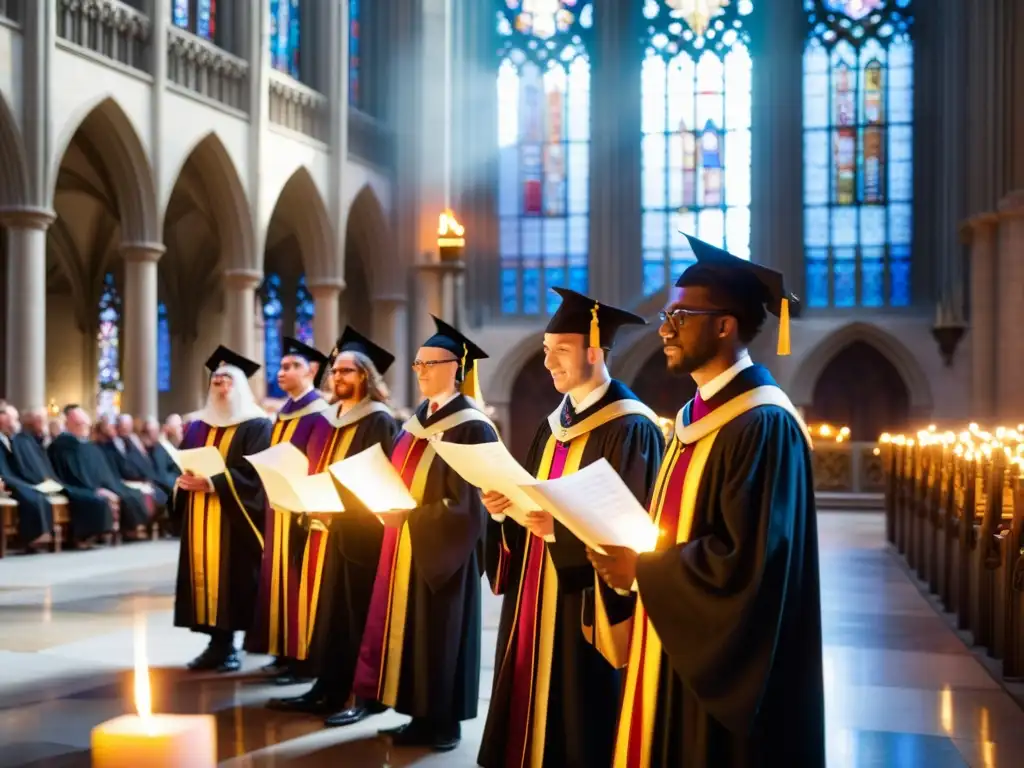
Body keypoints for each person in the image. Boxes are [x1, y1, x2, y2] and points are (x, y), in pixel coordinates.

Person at [588, 235, 825, 768]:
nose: (665, 329)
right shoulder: (694, 416)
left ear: (725, 325)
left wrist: (644, 570)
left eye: (681, 316)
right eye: (667, 316)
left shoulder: (763, 423)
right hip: (673, 631)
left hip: (726, 660)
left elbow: (748, 563)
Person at [477, 288, 666, 768]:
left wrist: (558, 530)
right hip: (534, 594)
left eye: (559, 352)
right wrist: (502, 511)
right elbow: (530, 500)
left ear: (594, 351)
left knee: (580, 715)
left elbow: (634, 525)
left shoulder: (631, 427)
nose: (548, 364)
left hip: (584, 599)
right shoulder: (551, 425)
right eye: (545, 352)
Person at [348, 316, 499, 752]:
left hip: (443, 552)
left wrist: (414, 518)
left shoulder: (471, 425)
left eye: (431, 363)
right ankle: (416, 714)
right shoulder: (417, 420)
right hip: (406, 543)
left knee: (441, 635)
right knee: (411, 633)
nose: (422, 371)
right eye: (418, 364)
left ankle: (445, 723)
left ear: (457, 367)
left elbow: (469, 504)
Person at [268, 327, 399, 726]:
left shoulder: (379, 421)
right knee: (327, 615)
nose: (338, 378)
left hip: (361, 535)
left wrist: (340, 509)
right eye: (336, 371)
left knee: (357, 615)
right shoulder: (328, 420)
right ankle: (326, 686)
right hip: (322, 530)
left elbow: (381, 481)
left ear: (366, 376)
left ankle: (363, 695)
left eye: (348, 371)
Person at [173, 347, 273, 672]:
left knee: (236, 582)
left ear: (241, 385)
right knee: (204, 582)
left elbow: (258, 475)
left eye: (228, 379)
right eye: (216, 379)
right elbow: (185, 463)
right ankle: (216, 643)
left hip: (235, 519)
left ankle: (234, 645)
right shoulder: (196, 427)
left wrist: (215, 483)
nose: (221, 385)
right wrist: (183, 483)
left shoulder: (256, 425)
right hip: (201, 517)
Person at [246, 336, 333, 685]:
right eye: (280, 366)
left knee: (301, 582)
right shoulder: (284, 412)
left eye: (291, 366)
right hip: (277, 506)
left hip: (301, 508)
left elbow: (319, 462)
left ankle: (303, 659)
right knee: (277, 579)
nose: (282, 372)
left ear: (311, 370)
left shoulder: (320, 413)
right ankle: (283, 650)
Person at [12, 406, 114, 546]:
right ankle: (80, 536)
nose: (45, 424)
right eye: (42, 420)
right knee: (91, 499)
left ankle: (90, 534)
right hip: (58, 483)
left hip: (56, 482)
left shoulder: (35, 441)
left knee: (96, 498)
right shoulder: (55, 444)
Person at [49, 405, 151, 541]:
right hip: (78, 486)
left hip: (98, 484)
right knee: (95, 499)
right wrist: (97, 489)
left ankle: (129, 529)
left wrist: (107, 486)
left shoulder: (88, 447)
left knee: (132, 494)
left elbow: (100, 472)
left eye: (85, 424)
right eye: (80, 424)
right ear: (69, 424)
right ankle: (90, 535)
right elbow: (76, 475)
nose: (84, 428)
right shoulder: (62, 446)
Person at [0, 403, 53, 551]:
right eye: (13, 419)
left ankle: (40, 533)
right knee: (28, 495)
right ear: (2, 419)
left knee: (37, 493)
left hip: (10, 476)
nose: (15, 423)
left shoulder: (10, 438)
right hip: (4, 478)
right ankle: (28, 537)